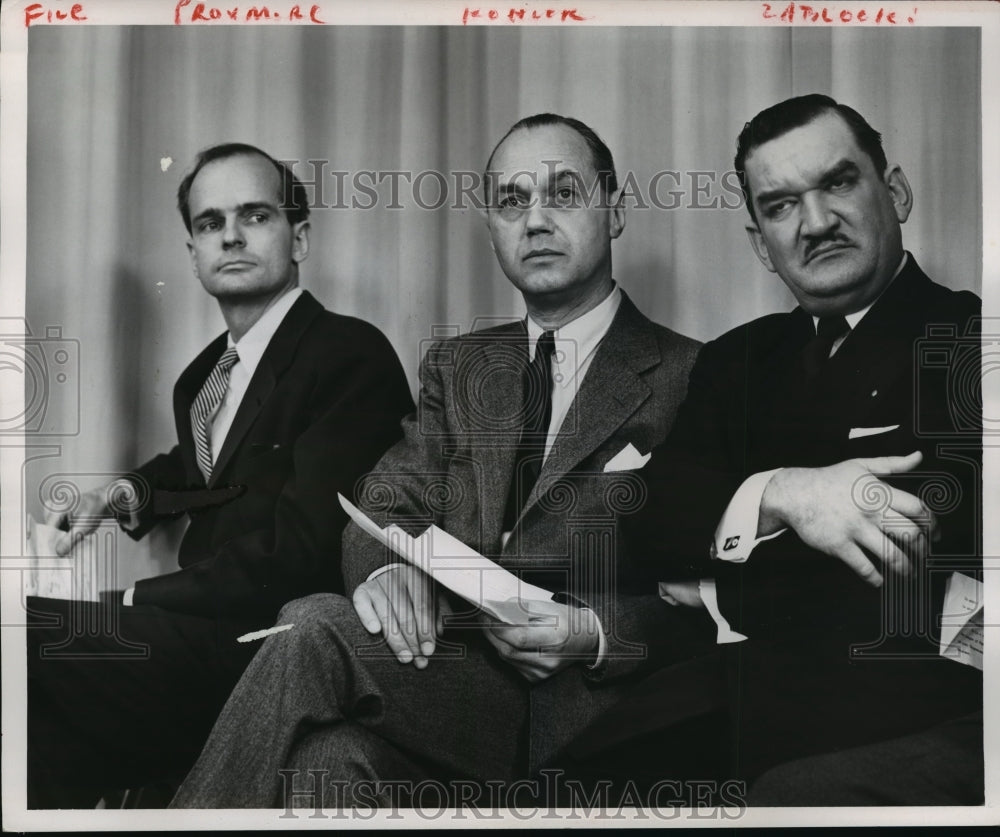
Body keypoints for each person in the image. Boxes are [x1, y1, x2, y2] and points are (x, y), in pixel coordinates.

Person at [169, 113, 713, 809]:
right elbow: (380, 505)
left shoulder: (692, 374)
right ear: (491, 227)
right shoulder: (460, 367)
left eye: (563, 193)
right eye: (512, 201)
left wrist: (593, 633)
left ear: (616, 210)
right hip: (451, 683)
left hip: (597, 714)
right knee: (326, 758)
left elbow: (713, 602)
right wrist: (390, 568)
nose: (536, 220)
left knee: (309, 632)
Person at [618, 94, 983, 804]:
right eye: (782, 206)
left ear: (897, 193)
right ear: (761, 243)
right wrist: (786, 492)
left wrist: (718, 575)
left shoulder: (974, 341)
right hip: (733, 690)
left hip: (908, 700)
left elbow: (931, 559)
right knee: (557, 790)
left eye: (838, 183)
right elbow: (647, 518)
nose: (815, 223)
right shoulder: (737, 360)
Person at [27, 143, 414, 807]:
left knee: (27, 636)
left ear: (300, 237)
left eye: (254, 215)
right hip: (198, 641)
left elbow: (302, 552)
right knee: (33, 709)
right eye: (210, 223)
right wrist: (122, 494)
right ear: (194, 252)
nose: (230, 235)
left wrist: (131, 600)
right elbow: (209, 463)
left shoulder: (347, 354)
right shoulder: (206, 374)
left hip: (266, 649)